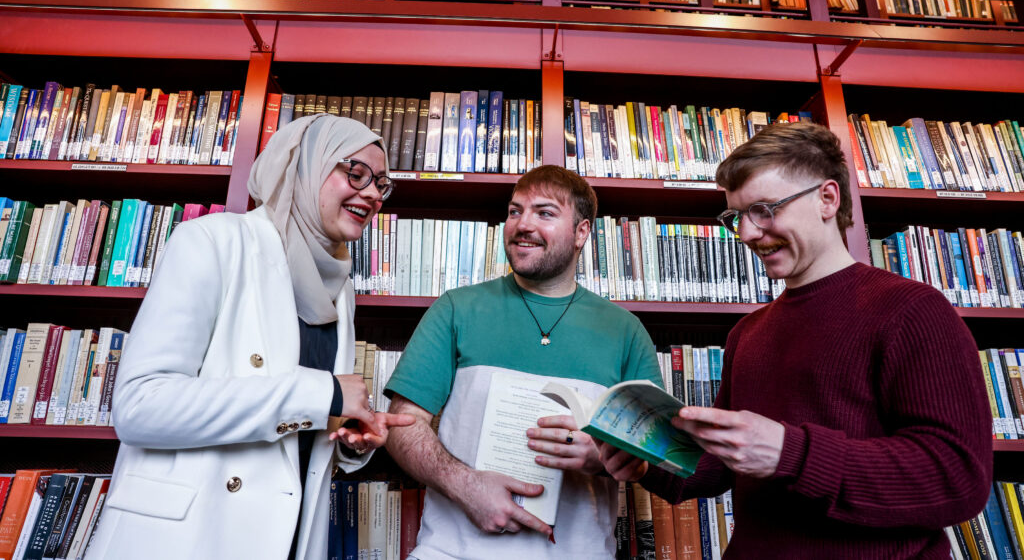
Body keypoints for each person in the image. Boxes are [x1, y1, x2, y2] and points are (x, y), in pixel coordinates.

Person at [599, 122, 992, 558]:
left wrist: (792, 454)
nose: (747, 234)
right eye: (736, 217)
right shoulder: (747, 332)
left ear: (828, 199)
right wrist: (643, 460)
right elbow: (720, 465)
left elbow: (958, 478)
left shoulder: (913, 311)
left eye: (764, 209)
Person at [87, 114, 413, 560]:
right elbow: (140, 406)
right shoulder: (213, 242)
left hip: (285, 540)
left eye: (382, 183)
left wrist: (348, 439)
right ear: (305, 168)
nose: (373, 193)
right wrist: (322, 394)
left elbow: (295, 444)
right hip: (191, 539)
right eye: (356, 173)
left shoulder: (340, 289)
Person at [384, 165, 663, 559]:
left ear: (582, 232)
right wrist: (466, 486)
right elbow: (402, 425)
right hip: (451, 552)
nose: (522, 225)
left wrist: (603, 457)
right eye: (515, 211)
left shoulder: (625, 331)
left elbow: (655, 456)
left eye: (544, 213)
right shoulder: (456, 308)